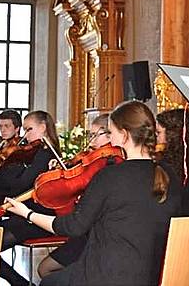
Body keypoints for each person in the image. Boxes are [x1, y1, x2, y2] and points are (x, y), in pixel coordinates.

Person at [6, 101, 182, 286]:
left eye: (111, 133)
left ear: (124, 135)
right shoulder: (169, 174)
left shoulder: (110, 175)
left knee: (48, 283)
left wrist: (27, 213)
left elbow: (73, 227)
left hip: (107, 275)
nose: (110, 140)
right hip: (152, 275)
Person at [0, 110, 60, 286]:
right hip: (25, 216)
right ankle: (20, 283)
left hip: (38, 219)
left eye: (29, 129)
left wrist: (2, 170)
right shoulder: (34, 153)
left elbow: (21, 185)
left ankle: (20, 283)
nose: (25, 135)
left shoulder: (45, 154)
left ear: (43, 127)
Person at [37, 114, 111, 279]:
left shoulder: (108, 163)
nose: (91, 141)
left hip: (93, 234)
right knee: (45, 269)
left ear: (111, 135)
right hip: (84, 230)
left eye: (95, 135)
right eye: (89, 135)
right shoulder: (94, 160)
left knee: (46, 269)